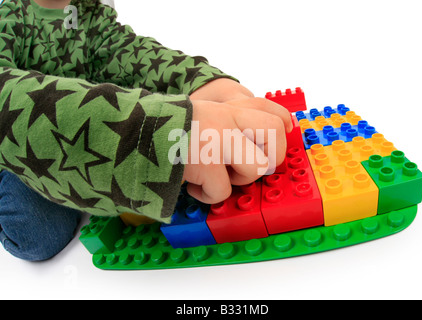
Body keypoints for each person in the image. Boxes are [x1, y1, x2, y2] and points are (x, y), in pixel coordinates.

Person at [0, 0, 292, 261]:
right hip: (14, 137)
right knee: (36, 232)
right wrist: (146, 136)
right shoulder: (9, 14)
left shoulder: (87, 11)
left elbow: (128, 53)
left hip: (79, 112)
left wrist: (201, 82)